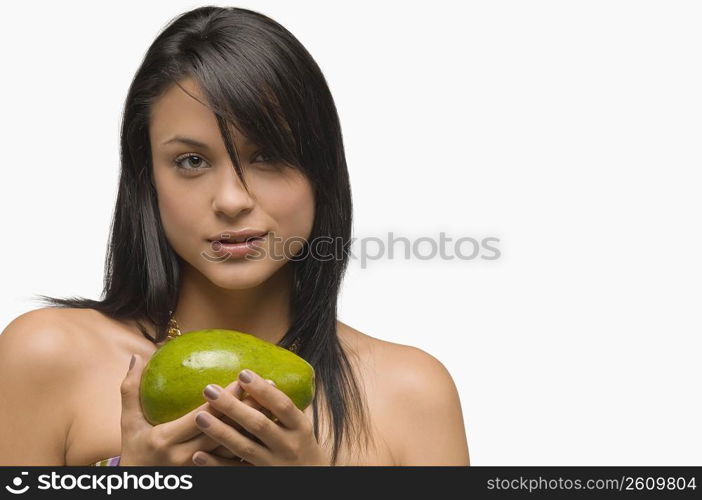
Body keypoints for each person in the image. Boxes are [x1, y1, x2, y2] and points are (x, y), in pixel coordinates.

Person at [0, 6, 469, 466]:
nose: (231, 199)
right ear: (147, 180)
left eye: (267, 156)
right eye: (192, 161)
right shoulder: (46, 358)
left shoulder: (412, 395)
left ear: (321, 172)